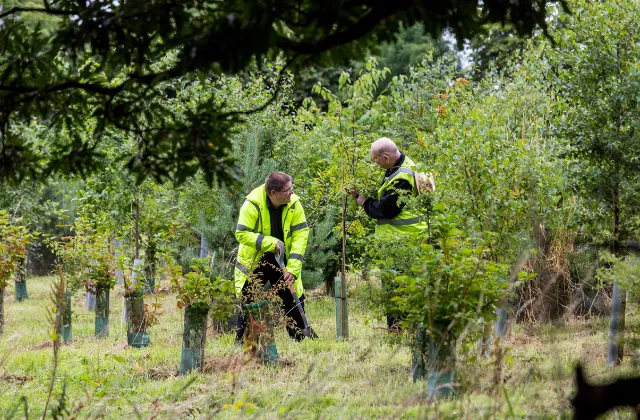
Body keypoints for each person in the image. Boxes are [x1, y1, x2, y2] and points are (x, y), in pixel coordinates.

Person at [350, 137, 428, 330]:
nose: (374, 163)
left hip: (401, 240)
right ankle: (405, 327)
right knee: (406, 285)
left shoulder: (401, 178)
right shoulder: (401, 165)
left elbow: (385, 210)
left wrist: (363, 201)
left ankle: (398, 328)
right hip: (404, 238)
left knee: (396, 286)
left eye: (375, 159)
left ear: (386, 157)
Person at [234, 171, 313, 342]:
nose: (292, 192)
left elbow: (301, 234)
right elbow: (241, 233)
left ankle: (300, 337)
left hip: (282, 261)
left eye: (291, 188)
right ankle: (243, 341)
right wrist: (270, 243)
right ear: (274, 193)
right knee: (250, 299)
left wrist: (292, 268)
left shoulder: (294, 203)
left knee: (291, 297)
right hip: (256, 260)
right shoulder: (252, 204)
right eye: (288, 190)